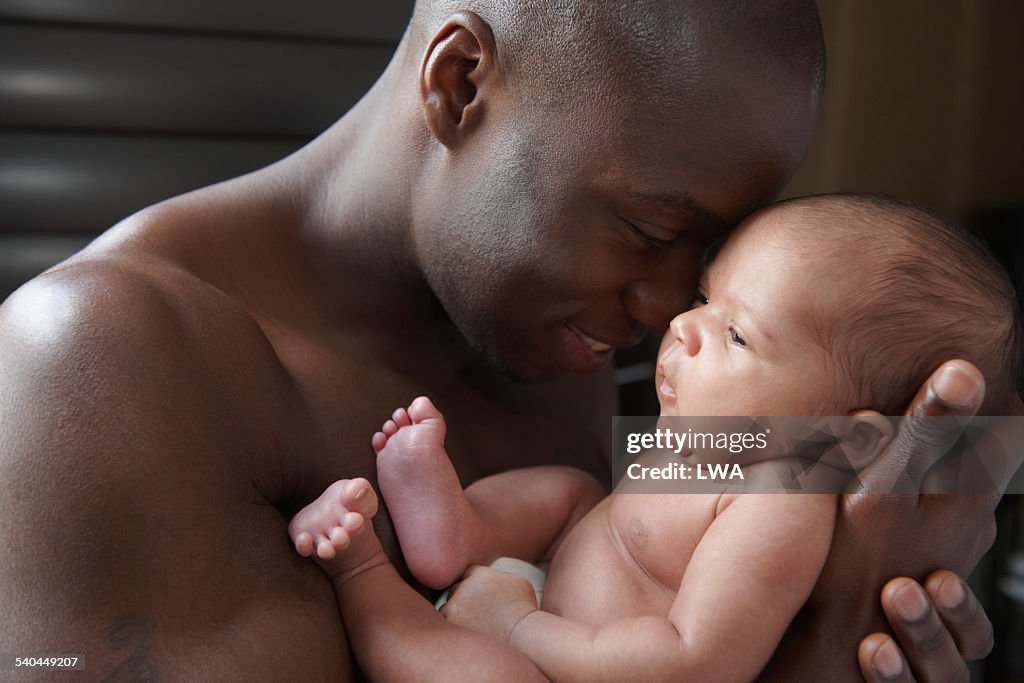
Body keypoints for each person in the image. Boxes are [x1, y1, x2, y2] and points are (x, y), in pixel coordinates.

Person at [0, 1, 1015, 679]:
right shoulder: (101, 361)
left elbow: (845, 455)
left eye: (707, 262)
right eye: (653, 230)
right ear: (460, 84)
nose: (670, 310)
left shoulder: (544, 328)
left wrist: (907, 551)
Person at [288, 193, 1023, 682]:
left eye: (736, 334)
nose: (683, 326)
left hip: (565, 662)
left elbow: (691, 661)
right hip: (543, 588)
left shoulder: (775, 506)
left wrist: (520, 628)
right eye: (708, 298)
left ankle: (362, 575)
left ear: (845, 438)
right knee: (574, 492)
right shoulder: (712, 447)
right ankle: (456, 527)